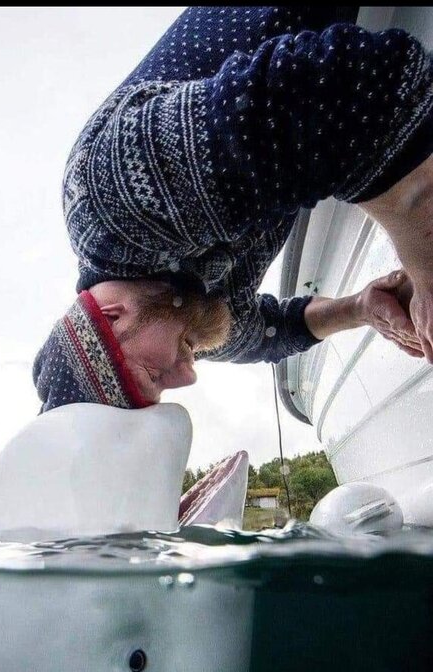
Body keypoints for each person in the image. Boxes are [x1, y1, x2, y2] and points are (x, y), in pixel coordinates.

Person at [33, 7, 433, 412]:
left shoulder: (112, 205)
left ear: (112, 315)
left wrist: (426, 269)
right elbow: (268, 335)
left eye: (153, 375)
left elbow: (345, 92)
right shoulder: (179, 310)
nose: (187, 376)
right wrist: (361, 308)